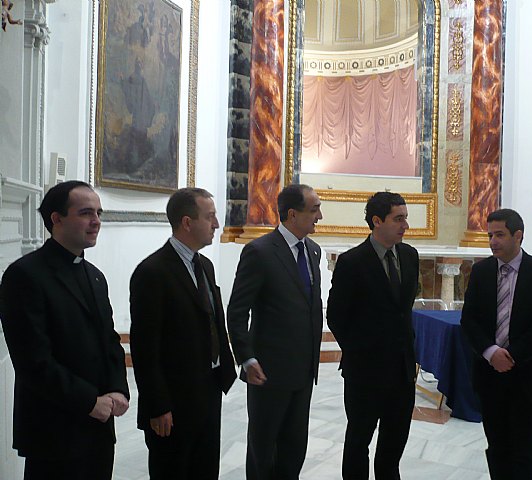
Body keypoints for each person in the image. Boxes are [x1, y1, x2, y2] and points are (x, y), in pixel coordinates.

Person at [0, 180, 129, 480]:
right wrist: (89, 401)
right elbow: (33, 361)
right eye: (86, 213)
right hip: (54, 428)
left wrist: (117, 387)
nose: (96, 221)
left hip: (99, 424)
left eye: (99, 213)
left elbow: (109, 340)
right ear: (56, 219)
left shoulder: (95, 276)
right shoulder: (24, 275)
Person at [129, 188, 237, 480]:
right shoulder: (152, 272)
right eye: (210, 217)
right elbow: (144, 347)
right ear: (187, 222)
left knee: (204, 469)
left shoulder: (205, 265)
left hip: (208, 390)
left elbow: (213, 319)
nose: (216, 224)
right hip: (174, 402)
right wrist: (158, 405)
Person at [227, 184, 324, 480]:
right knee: (263, 447)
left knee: (295, 447)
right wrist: (246, 357)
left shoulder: (313, 250)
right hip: (268, 371)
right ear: (293, 214)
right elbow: (237, 310)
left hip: (303, 370)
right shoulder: (259, 252)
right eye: (315, 209)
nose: (320, 215)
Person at [460, 208, 532, 480]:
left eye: (499, 235)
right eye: (490, 235)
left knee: (526, 450)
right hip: (489, 375)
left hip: (527, 376)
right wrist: (491, 353)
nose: (492, 241)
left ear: (518, 236)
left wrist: (511, 356)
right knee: (497, 448)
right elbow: (469, 320)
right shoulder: (480, 272)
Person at [326, 191, 419, 480]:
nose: (405, 225)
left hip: (402, 372)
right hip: (365, 372)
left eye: (405, 218)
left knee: (393, 446)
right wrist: (360, 352)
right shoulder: (352, 262)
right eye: (398, 219)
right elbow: (336, 316)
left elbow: (402, 311)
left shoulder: (409, 255)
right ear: (377, 221)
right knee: (358, 442)